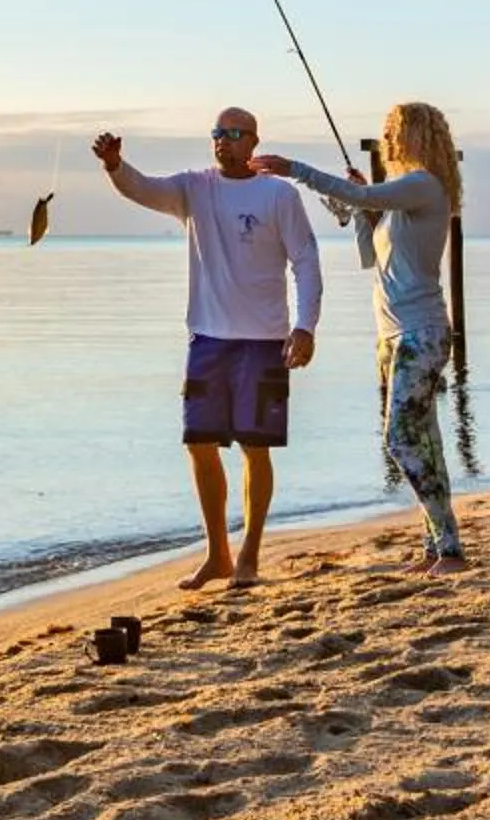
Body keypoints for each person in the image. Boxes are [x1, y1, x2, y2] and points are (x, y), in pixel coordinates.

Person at [92, 107, 323, 590]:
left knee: (255, 447)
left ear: (254, 141)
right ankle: (217, 553)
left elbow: (305, 260)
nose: (224, 141)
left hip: (264, 340)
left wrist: (304, 326)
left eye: (235, 134)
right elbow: (144, 188)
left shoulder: (278, 194)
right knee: (198, 443)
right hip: (208, 338)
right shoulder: (194, 188)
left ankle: (249, 558)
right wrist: (115, 165)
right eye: (218, 133)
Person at [257, 101, 467, 574]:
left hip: (422, 331)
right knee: (425, 441)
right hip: (392, 333)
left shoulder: (423, 185)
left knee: (401, 440)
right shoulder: (401, 199)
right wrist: (359, 204)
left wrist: (296, 170)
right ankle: (442, 547)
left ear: (417, 137)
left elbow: (373, 199)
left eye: (395, 132)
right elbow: (370, 256)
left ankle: (448, 547)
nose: (389, 140)